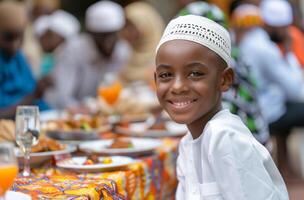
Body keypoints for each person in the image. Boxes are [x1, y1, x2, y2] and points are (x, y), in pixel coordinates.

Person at [155, 15, 288, 199]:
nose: (177, 86)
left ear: (224, 80)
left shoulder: (223, 137)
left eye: (195, 73)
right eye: (165, 75)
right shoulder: (188, 143)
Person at [44, 1, 130, 109]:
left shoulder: (122, 50)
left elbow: (113, 89)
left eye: (112, 35)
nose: (107, 42)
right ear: (90, 34)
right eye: (102, 37)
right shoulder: (72, 50)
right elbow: (62, 97)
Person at [0, 1, 51, 119]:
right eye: (8, 38)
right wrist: (33, 96)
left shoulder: (19, 58)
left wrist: (40, 89)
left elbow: (32, 92)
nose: (14, 45)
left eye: (19, 37)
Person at [120, 1, 165, 85]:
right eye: (125, 26)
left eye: (131, 26)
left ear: (146, 25)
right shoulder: (123, 51)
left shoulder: (162, 54)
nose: (126, 32)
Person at [34, 10, 80, 77]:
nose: (42, 39)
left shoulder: (65, 60)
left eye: (48, 35)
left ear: (62, 38)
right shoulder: (45, 57)